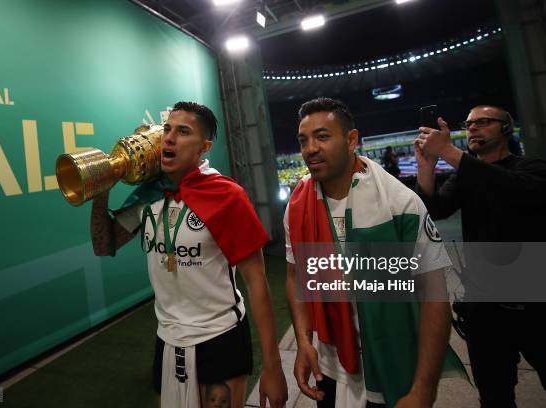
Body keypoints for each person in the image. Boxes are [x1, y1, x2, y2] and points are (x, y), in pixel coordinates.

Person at [90, 101, 287, 408]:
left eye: (183, 132)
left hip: (218, 335)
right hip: (167, 338)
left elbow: (257, 282)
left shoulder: (226, 195)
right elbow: (104, 246)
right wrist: (101, 188)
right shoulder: (149, 195)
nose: (169, 138)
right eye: (167, 129)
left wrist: (273, 368)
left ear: (203, 147)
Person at [284, 97, 465, 407]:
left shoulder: (400, 203)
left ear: (351, 139)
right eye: (304, 140)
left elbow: (434, 297)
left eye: (323, 136)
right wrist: (303, 341)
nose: (311, 148)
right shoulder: (298, 204)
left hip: (392, 364)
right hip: (328, 365)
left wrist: (423, 390)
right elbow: (295, 275)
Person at [414, 105, 546, 407]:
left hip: (538, 305)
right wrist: (426, 166)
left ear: (505, 129)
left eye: (483, 122)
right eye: (469, 123)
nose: (472, 128)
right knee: (494, 395)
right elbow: (434, 212)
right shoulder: (466, 178)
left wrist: (450, 152)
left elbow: (511, 187)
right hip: (486, 308)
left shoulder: (532, 168)